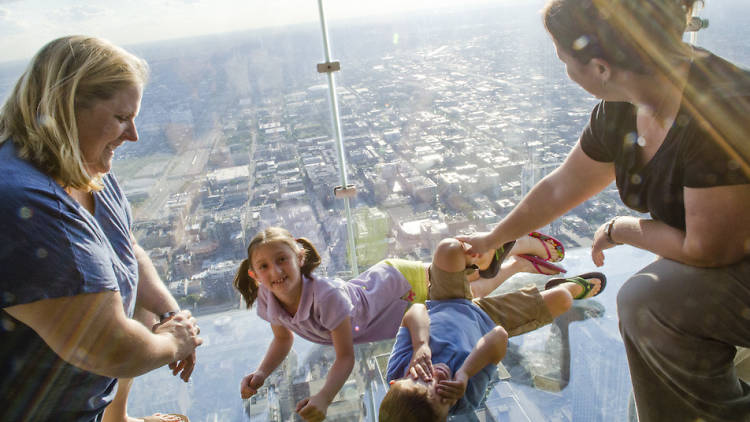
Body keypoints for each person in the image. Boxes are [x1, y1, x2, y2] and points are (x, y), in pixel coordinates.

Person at [457, 1, 750, 420]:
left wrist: (622, 229)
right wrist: (493, 239)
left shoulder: (720, 107)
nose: (565, 71)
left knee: (649, 302)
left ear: (600, 68)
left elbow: (707, 249)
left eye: (564, 59)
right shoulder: (624, 107)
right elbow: (562, 185)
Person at [0, 36, 202, 422]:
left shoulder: (84, 170)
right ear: (64, 108)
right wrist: (176, 342)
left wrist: (167, 314)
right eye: (121, 118)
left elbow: (125, 254)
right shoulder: (22, 204)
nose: (133, 135)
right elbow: (109, 348)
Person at [234, 226, 567, 421]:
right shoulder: (268, 297)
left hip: (396, 290)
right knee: (471, 294)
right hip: (384, 296)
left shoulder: (326, 297)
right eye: (264, 266)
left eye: (282, 260)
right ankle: (520, 265)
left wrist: (324, 397)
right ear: (254, 275)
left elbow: (345, 358)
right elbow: (282, 339)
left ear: (299, 259)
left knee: (472, 289)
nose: (275, 272)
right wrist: (262, 373)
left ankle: (519, 243)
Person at [378, 238, 606, 420]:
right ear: (446, 416)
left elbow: (416, 310)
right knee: (563, 299)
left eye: (422, 379)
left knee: (449, 248)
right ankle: (567, 286)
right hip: (488, 320)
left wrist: (421, 346)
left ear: (395, 383)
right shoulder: (466, 397)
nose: (437, 377)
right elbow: (499, 336)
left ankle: (500, 254)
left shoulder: (398, 368)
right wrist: (465, 372)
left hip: (445, 301)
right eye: (442, 395)